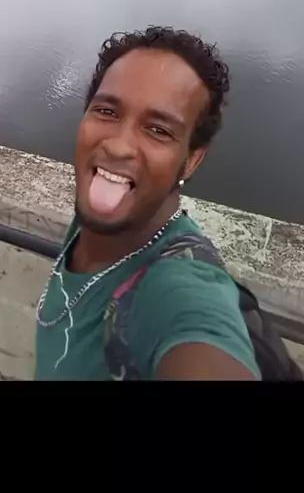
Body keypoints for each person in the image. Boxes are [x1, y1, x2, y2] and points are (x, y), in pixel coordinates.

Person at [35, 27, 261, 380]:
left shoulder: (178, 287)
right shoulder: (101, 216)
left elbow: (201, 334)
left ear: (191, 160)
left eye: (159, 130)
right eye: (107, 111)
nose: (118, 146)